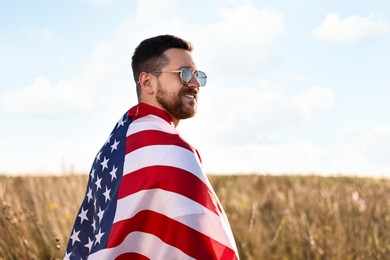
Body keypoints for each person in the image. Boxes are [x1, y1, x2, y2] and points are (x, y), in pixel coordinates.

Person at [64, 34, 239, 259]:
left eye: (197, 75)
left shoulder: (116, 145)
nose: (195, 84)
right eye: (184, 74)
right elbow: (201, 247)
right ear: (147, 82)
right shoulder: (171, 149)